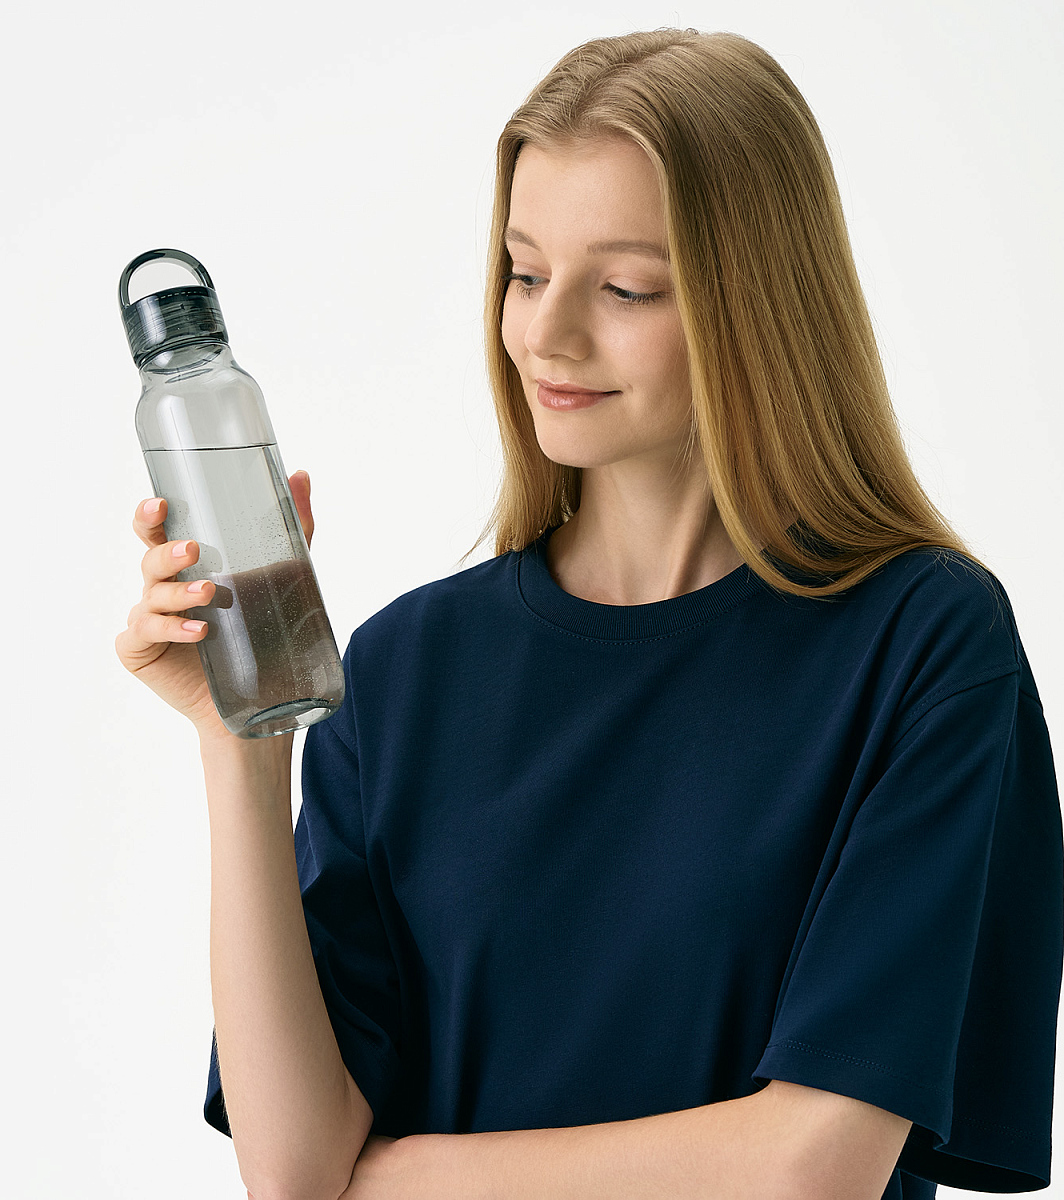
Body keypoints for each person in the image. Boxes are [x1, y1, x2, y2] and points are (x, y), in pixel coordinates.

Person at [115, 27, 1062, 1200]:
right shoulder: (406, 669)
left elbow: (811, 1170)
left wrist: (396, 1182)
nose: (546, 335)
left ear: (756, 304)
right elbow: (294, 1173)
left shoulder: (923, 644)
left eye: (625, 288)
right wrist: (242, 744)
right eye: (524, 273)